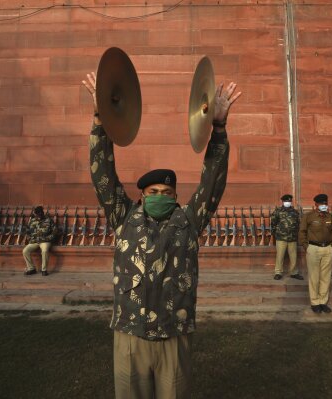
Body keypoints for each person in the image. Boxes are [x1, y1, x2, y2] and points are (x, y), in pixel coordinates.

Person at [83, 71, 240, 399]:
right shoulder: (124, 217)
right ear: (142, 195)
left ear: (175, 196)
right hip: (130, 335)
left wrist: (219, 129)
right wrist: (100, 119)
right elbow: (103, 176)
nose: (160, 196)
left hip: (173, 333)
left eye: (167, 191)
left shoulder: (188, 221)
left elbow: (212, 183)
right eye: (153, 191)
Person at [299, 194, 332, 314]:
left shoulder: (330, 216)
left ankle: (323, 302)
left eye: (325, 203)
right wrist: (306, 246)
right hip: (313, 248)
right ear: (316, 204)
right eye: (321, 204)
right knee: (314, 276)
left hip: (327, 248)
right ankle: (315, 302)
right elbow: (302, 231)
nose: (324, 206)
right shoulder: (308, 216)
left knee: (326, 276)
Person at [270, 194, 302, 281]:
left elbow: (298, 224)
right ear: (283, 202)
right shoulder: (278, 211)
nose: (288, 203)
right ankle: (278, 272)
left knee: (293, 256)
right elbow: (273, 223)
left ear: (291, 202)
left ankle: (294, 272)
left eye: (289, 201)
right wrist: (275, 234)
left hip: (292, 238)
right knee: (280, 256)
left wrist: (296, 234)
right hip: (281, 238)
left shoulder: (295, 212)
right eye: (286, 201)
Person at [22, 206, 56, 276]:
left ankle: (44, 270)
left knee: (44, 250)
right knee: (25, 251)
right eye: (37, 215)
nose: (38, 216)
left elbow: (55, 231)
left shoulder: (49, 220)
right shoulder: (32, 221)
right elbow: (27, 231)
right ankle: (31, 268)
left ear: (42, 213)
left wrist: (48, 238)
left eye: (40, 214)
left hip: (45, 241)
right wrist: (30, 238)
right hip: (34, 241)